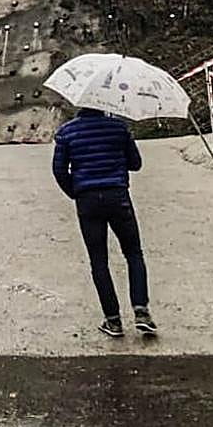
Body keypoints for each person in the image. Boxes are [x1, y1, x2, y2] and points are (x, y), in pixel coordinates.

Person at [52, 107, 157, 338]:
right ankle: (141, 311)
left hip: (87, 201)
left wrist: (75, 191)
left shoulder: (66, 132)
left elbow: (59, 170)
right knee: (133, 253)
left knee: (99, 261)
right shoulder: (119, 128)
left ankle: (113, 320)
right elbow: (136, 163)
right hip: (118, 196)